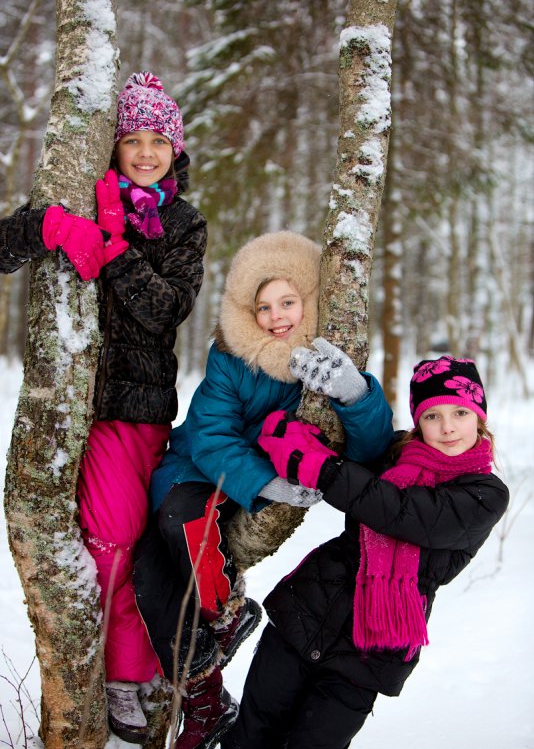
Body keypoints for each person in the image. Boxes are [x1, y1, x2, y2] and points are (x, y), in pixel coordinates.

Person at [1, 71, 207, 744]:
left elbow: (165, 311)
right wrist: (56, 224)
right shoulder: (86, 196)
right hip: (77, 408)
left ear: (176, 149)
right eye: (132, 139)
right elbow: (4, 246)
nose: (145, 152)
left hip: (139, 409)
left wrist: (116, 250)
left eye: (158, 139)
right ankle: (124, 674)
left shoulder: (182, 222)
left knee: (129, 547)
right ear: (113, 147)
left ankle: (137, 676)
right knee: (104, 547)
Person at [133, 230, 395, 749]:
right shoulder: (232, 357)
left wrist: (355, 394)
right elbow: (209, 433)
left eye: (288, 303)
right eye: (263, 307)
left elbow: (370, 449)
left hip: (234, 481)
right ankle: (209, 687)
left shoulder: (325, 360)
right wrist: (266, 482)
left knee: (181, 534)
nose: (277, 317)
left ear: (309, 302)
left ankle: (219, 632)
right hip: (199, 467)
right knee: (150, 564)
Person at [221, 352, 510, 749]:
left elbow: (400, 512)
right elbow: (365, 440)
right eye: (431, 416)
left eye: (459, 413)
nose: (447, 428)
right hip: (304, 613)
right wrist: (330, 418)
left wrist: (322, 468)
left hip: (370, 653)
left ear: (479, 415)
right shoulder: (394, 456)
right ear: (418, 421)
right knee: (249, 738)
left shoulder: (485, 494)